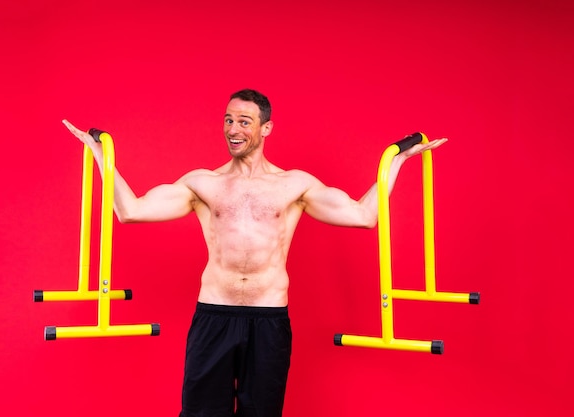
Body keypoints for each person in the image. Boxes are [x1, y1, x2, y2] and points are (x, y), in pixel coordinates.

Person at [62, 89, 446, 417]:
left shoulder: (293, 185)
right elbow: (130, 211)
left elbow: (364, 216)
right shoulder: (202, 183)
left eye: (244, 121)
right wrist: (101, 157)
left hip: (269, 319)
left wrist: (395, 162)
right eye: (228, 120)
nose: (233, 129)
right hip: (214, 314)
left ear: (266, 128)